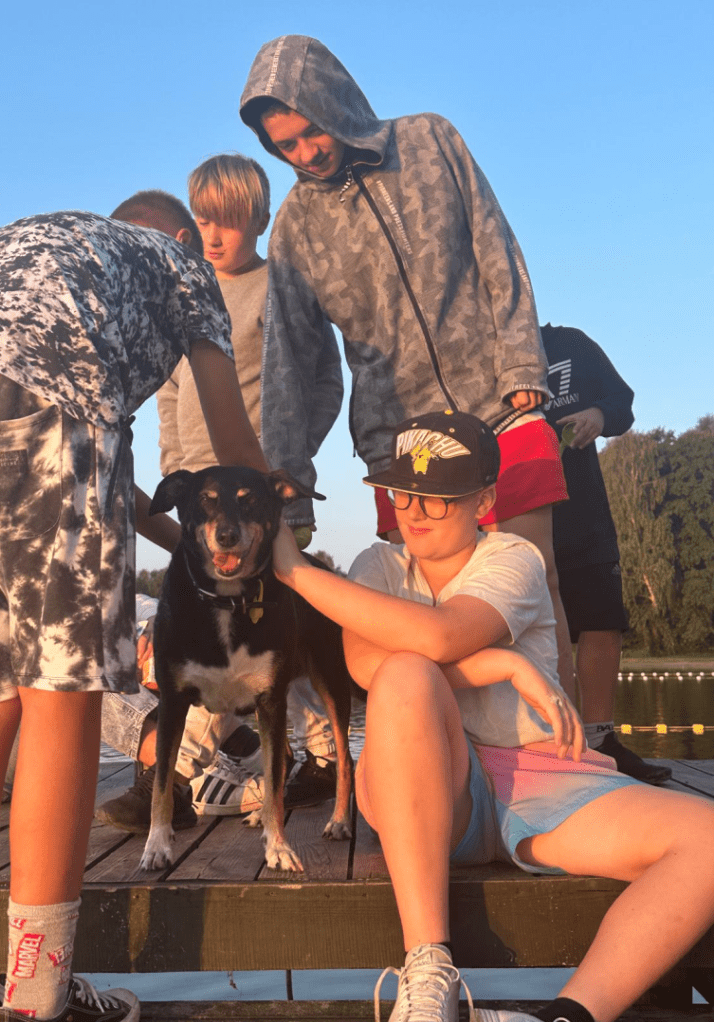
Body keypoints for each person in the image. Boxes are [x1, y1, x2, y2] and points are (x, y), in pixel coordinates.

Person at [270, 409, 714, 1022]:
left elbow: (442, 634)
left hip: (537, 778)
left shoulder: (513, 558)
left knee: (706, 841)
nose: (414, 511)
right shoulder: (378, 566)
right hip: (424, 791)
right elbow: (367, 665)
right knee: (403, 675)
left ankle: (564, 1018)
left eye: (438, 496)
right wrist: (501, 665)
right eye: (402, 492)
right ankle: (429, 973)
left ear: (482, 501)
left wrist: (294, 571)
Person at [0, 196, 268, 1022]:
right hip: (53, 397)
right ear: (181, 238)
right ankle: (39, 999)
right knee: (64, 695)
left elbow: (104, 488)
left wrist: (183, 546)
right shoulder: (183, 266)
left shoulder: (57, 246)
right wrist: (283, 546)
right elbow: (234, 441)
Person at [239, 35, 575, 698]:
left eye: (312, 131)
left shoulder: (429, 140)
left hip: (501, 402)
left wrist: (520, 360)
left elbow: (496, 244)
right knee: (425, 605)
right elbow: (293, 365)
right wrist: (291, 478)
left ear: (337, 101)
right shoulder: (294, 228)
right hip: (402, 441)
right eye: (286, 146)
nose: (305, 154)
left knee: (538, 577)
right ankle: (456, 747)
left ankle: (564, 737)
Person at [96, 164, 339, 832]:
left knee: (275, 629)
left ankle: (182, 776)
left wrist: (293, 455)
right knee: (207, 632)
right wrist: (174, 470)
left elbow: (325, 375)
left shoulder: (281, 288)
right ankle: (221, 765)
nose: (213, 234)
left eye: (228, 220)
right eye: (203, 219)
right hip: (200, 502)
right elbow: (171, 392)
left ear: (259, 220)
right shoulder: (181, 293)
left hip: (262, 497)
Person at [541, 323, 670, 785]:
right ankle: (552, 743)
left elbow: (621, 402)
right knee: (533, 626)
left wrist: (598, 413)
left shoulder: (569, 344)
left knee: (600, 619)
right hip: (514, 513)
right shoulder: (479, 353)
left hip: (584, 511)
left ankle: (599, 740)